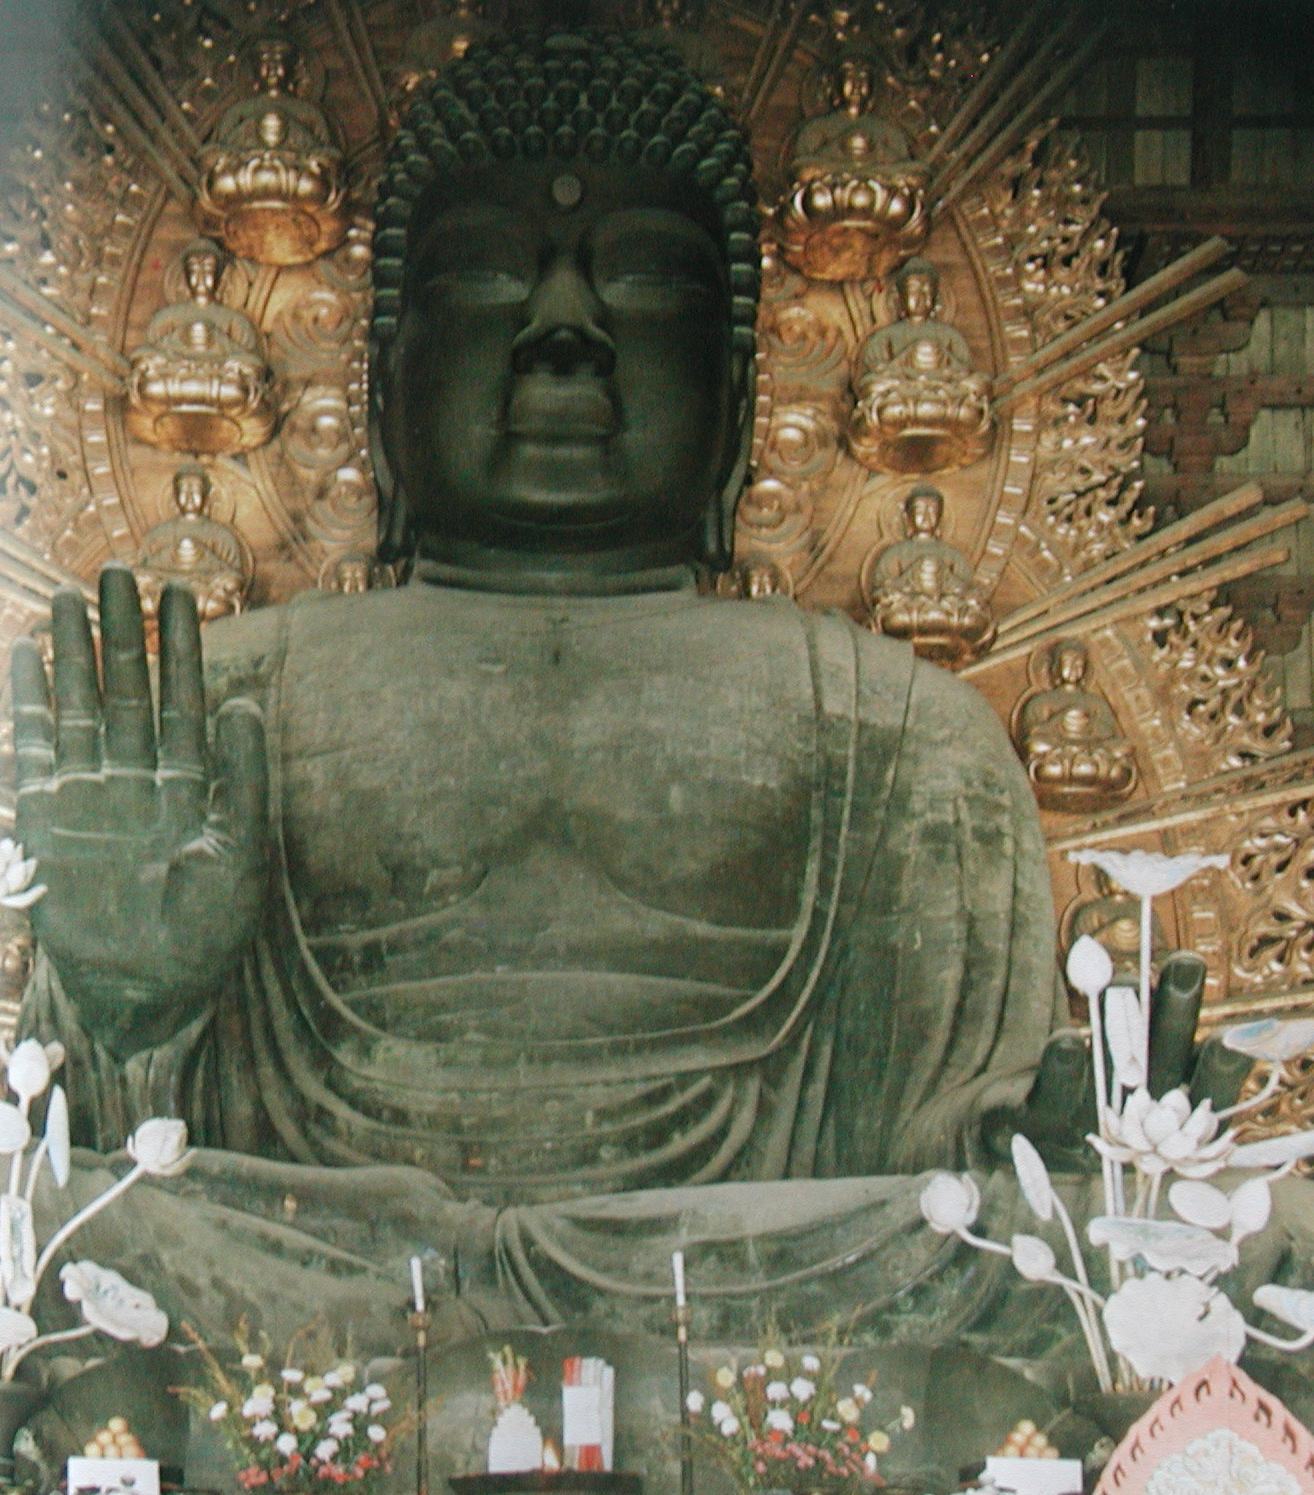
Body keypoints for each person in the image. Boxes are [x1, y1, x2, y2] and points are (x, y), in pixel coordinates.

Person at [13, 30, 1251, 1369]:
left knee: (1174, 1250)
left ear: (735, 401)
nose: (562, 330)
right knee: (78, 1228)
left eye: (648, 279)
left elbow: (939, 1193)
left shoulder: (905, 736)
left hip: (773, 1315)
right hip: (327, 1288)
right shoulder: (220, 702)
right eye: (483, 274)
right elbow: (91, 1181)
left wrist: (1069, 1175)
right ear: (379, 385)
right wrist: (127, 1010)